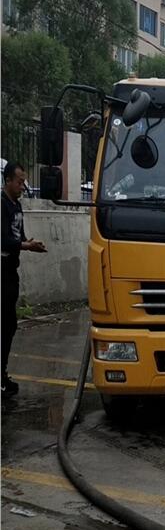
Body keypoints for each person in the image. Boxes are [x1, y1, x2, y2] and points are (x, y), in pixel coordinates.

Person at [2, 161, 47, 396]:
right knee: (4, 325)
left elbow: (19, 235)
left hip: (11, 272)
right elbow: (4, 240)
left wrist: (31, 243)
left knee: (9, 326)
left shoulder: (17, 206)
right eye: (19, 181)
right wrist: (26, 246)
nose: (22, 186)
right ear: (7, 180)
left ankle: (3, 373)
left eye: (24, 182)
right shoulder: (1, 206)